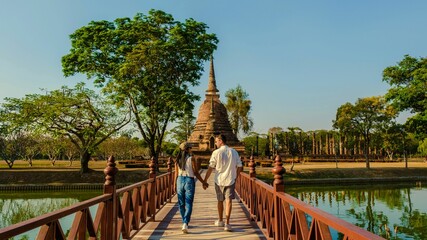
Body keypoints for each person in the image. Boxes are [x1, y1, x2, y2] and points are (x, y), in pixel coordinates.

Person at [204, 134, 243, 231]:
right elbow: (240, 166)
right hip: (230, 179)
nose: (215, 143)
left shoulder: (216, 152)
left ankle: (221, 220)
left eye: (216, 141)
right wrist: (236, 177)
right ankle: (227, 223)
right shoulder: (234, 152)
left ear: (221, 141)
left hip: (219, 180)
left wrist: (205, 180)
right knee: (229, 201)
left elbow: (210, 167)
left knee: (220, 200)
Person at [174, 141, 209, 234]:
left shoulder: (177, 160)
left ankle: (184, 222)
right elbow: (196, 172)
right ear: (188, 149)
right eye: (190, 148)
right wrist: (203, 182)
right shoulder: (192, 158)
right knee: (189, 203)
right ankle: (185, 222)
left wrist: (175, 184)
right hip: (189, 180)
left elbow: (176, 173)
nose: (191, 150)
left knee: (181, 203)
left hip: (179, 180)